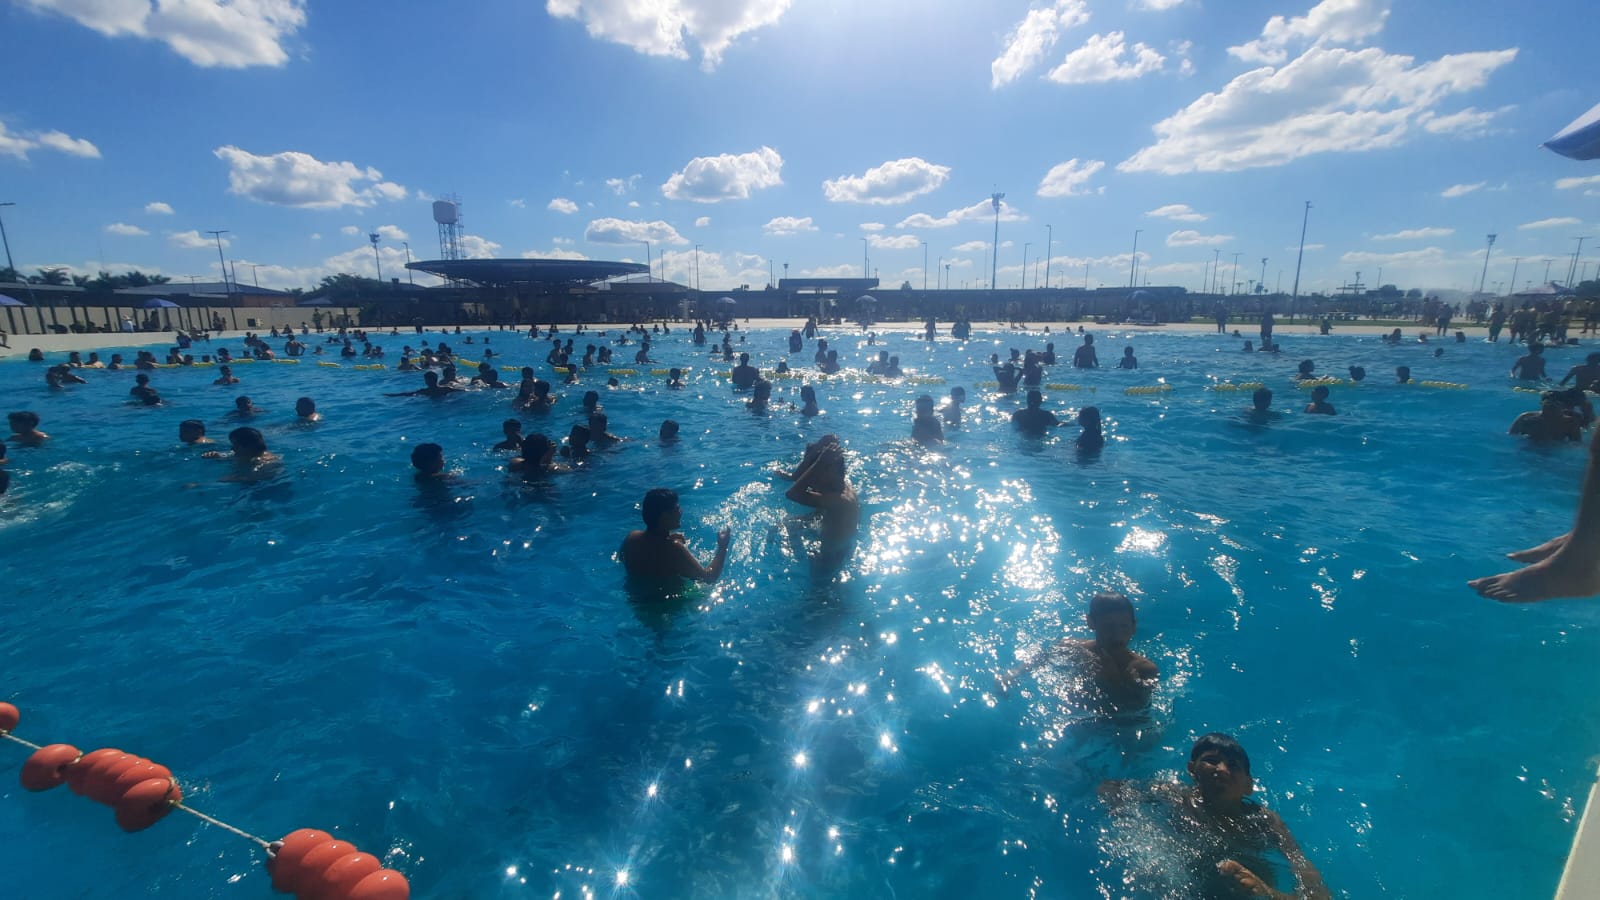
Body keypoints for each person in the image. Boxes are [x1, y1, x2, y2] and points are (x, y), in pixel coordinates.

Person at [1099, 734, 1331, 900]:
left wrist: (1268, 893)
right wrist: (1126, 820)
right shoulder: (1175, 797)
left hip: (1249, 886)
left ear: (1249, 785)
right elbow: (1110, 789)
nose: (1221, 769)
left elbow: (1312, 883)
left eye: (1233, 765)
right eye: (1211, 760)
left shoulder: (1265, 822)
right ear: (1193, 769)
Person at [1000, 591, 1158, 703]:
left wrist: (1114, 682)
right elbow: (1038, 660)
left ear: (1133, 627)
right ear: (1091, 623)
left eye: (1123, 627)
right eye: (1108, 627)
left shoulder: (1144, 669)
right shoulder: (1073, 648)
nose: (1117, 635)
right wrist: (1012, 676)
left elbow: (1137, 712)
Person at [619, 487, 731, 584]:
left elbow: (622, 558)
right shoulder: (674, 549)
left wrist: (664, 539)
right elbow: (708, 578)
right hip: (668, 606)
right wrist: (722, 547)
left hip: (636, 601)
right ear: (664, 516)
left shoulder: (631, 538)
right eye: (677, 508)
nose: (681, 512)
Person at [784, 436, 860, 567]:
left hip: (829, 559)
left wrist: (819, 462)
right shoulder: (843, 486)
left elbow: (792, 494)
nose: (813, 481)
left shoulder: (839, 500)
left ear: (827, 473)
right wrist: (816, 456)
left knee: (818, 587)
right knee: (789, 524)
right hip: (839, 547)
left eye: (816, 475)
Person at [202, 426, 281, 480]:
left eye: (235, 445)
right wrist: (218, 457)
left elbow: (247, 478)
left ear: (249, 447)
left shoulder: (263, 462)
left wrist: (204, 484)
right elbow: (233, 457)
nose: (232, 448)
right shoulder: (248, 454)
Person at [1508, 394, 1584, 443]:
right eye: (1548, 404)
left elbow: (1576, 444)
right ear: (1541, 403)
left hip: (1555, 452)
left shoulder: (1570, 423)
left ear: (1563, 406)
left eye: (1556, 404)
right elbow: (1511, 436)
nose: (1551, 408)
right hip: (1530, 449)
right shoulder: (1526, 418)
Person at [386, 370, 458, 399]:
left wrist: (393, 395)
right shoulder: (446, 389)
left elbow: (407, 394)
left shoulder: (424, 391)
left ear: (427, 381)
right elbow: (462, 390)